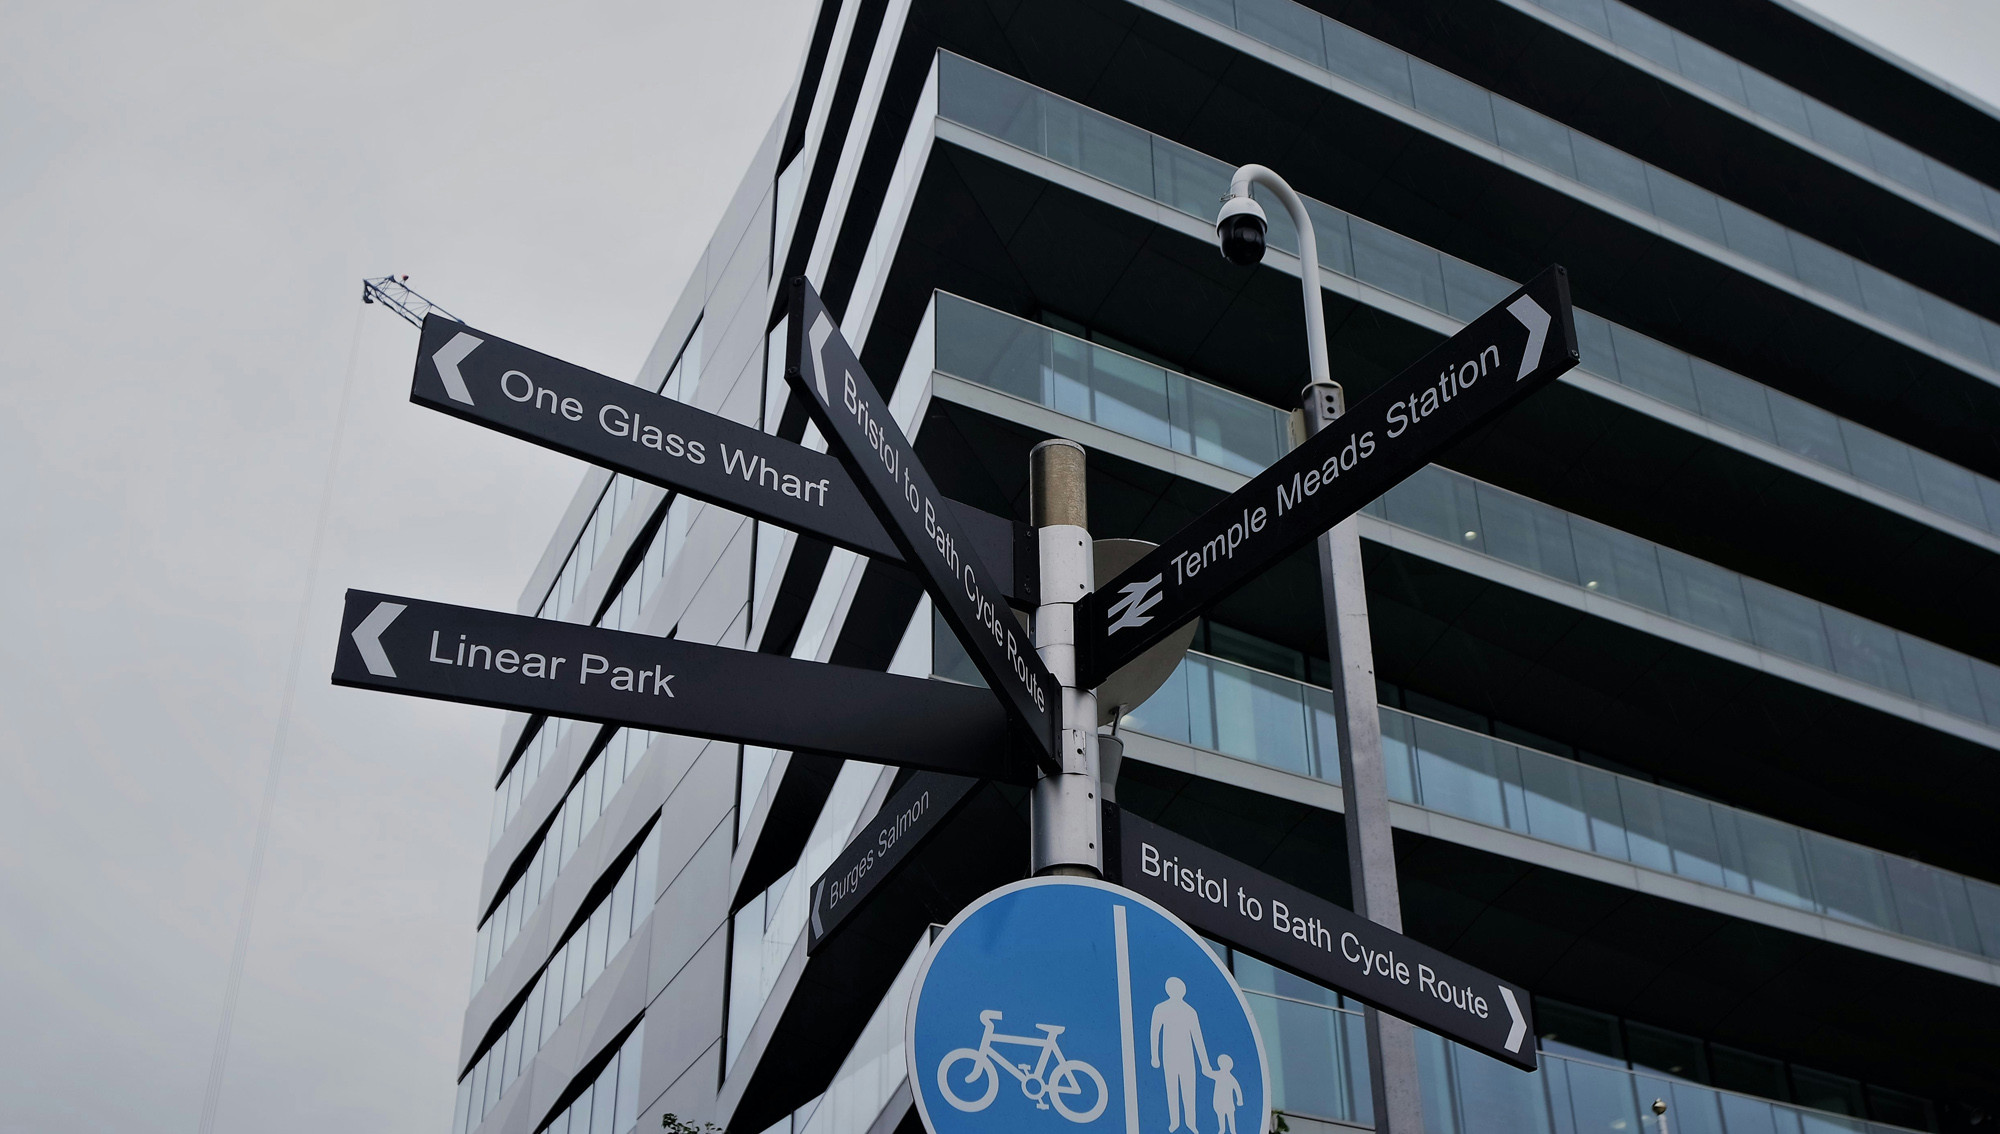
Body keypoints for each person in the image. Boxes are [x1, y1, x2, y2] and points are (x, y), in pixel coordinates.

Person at [1149, 977, 1211, 1132]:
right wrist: (1154, 1056)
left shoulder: (1190, 1011)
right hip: (1169, 1055)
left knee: (1189, 1089)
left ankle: (1191, 1123)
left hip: (1187, 1057)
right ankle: (1174, 1122)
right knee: (1172, 1088)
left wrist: (1205, 1064)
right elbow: (1154, 1033)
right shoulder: (1161, 1008)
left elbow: (1198, 1038)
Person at [1207, 1054, 1243, 1134]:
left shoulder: (1230, 1078)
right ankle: (1222, 1130)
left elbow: (1237, 1089)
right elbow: (1208, 1073)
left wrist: (1240, 1100)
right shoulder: (1219, 1074)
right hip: (1219, 1103)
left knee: (1230, 1117)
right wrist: (1206, 1069)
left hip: (1228, 1104)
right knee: (1221, 1116)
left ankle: (1232, 1131)